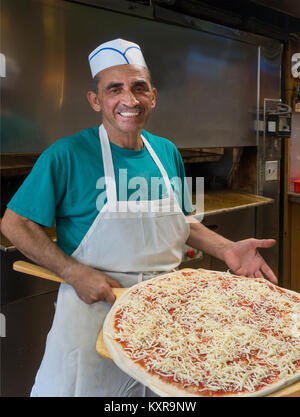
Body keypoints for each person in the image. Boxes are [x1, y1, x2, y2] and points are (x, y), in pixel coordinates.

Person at [1, 39, 277, 397]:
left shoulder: (166, 152)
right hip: (95, 311)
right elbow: (14, 223)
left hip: (164, 319)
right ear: (95, 100)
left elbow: (183, 222)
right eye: (114, 89)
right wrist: (72, 272)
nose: (129, 100)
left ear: (153, 95)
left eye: (139, 88)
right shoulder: (66, 155)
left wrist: (228, 249)